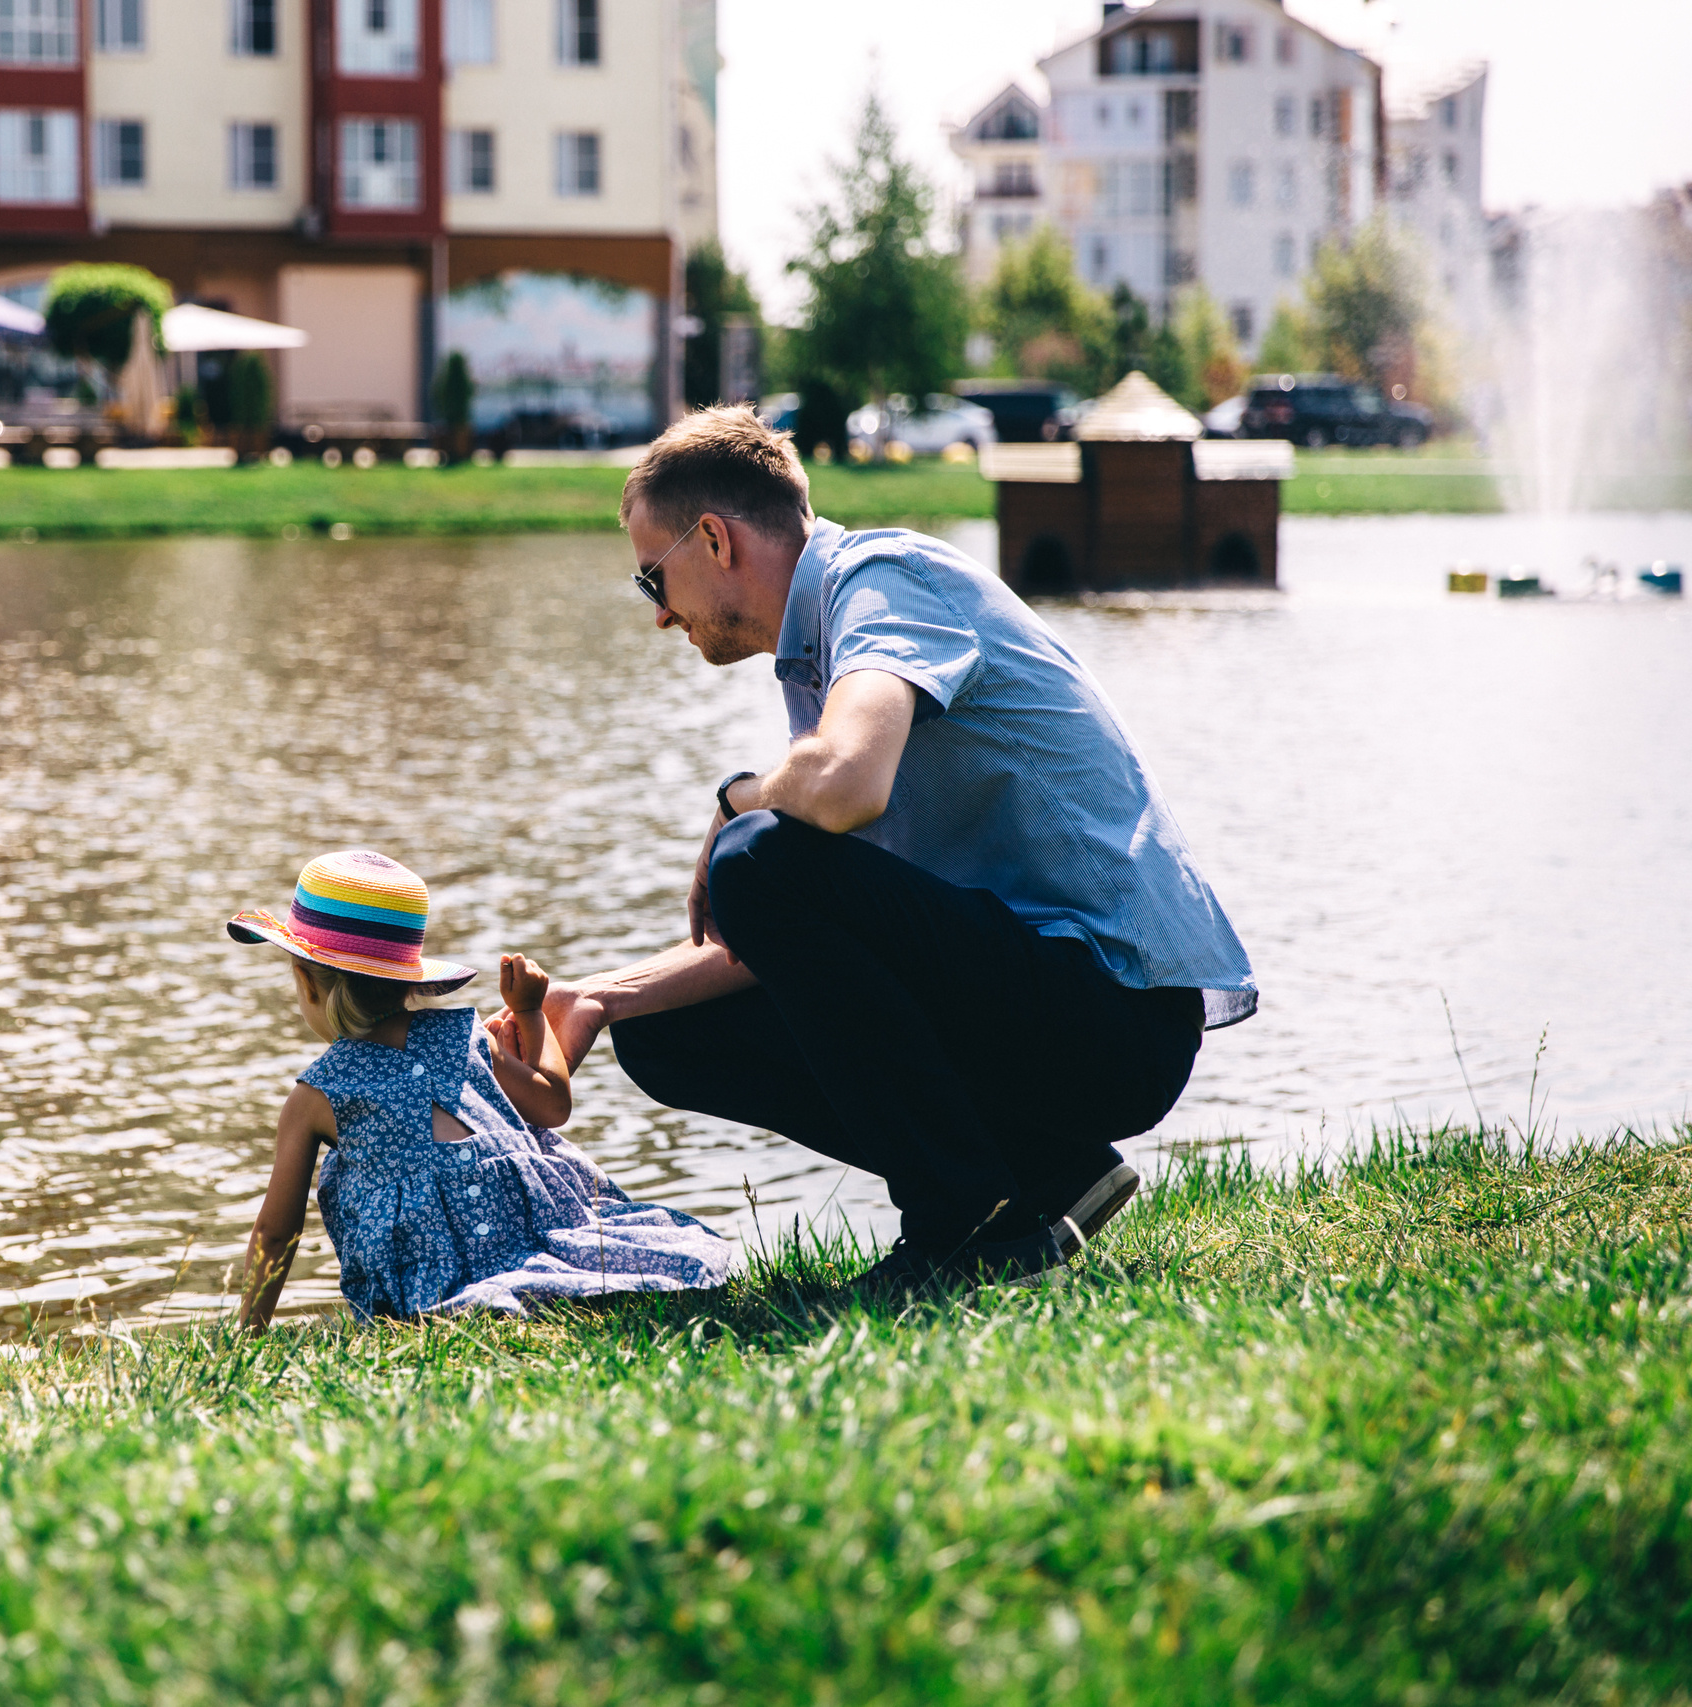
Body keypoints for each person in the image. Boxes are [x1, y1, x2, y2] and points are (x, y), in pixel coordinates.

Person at [537, 406, 1256, 1299]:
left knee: (755, 859)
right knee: (664, 1037)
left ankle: (960, 1223)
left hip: (1115, 1015)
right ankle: (1045, 1174)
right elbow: (803, 933)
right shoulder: (823, 658)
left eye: (654, 579)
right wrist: (597, 1001)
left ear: (714, 539)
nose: (659, 616)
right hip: (1035, 1000)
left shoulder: (883, 582)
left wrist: (735, 801)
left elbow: (839, 788)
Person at [229, 849, 735, 1329]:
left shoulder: (316, 1095)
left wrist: (244, 1334)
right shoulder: (464, 1035)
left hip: (428, 1287)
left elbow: (277, 1231)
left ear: (308, 983)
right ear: (410, 981)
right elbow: (553, 1101)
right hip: (536, 1238)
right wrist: (531, 1013)